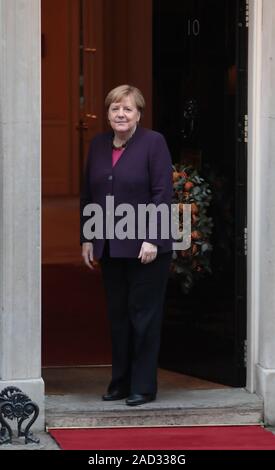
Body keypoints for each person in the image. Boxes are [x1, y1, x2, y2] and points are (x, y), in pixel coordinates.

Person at [80, 84, 173, 406]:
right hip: (110, 246)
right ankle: (119, 382)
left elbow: (162, 193)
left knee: (143, 316)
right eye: (115, 109)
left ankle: (143, 386)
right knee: (118, 316)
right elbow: (89, 194)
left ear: (138, 114)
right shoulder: (98, 144)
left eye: (128, 109)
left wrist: (153, 238)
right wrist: (88, 237)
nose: (121, 114)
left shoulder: (153, 143)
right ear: (107, 114)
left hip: (145, 249)